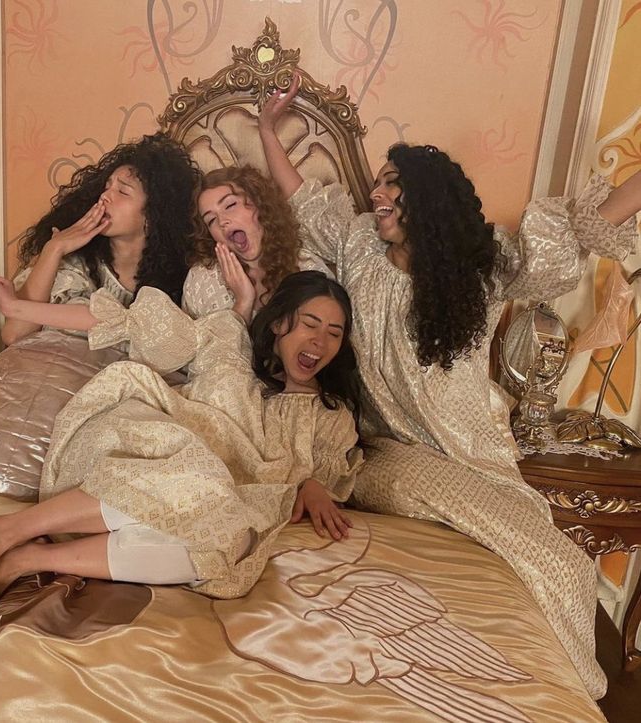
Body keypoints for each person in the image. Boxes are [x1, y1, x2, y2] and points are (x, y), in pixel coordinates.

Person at [257, 73, 641, 700]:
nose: (376, 194)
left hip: (478, 460)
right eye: (377, 182)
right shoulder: (356, 246)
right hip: (385, 459)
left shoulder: (481, 271)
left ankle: (572, 691)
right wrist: (269, 131)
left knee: (565, 566)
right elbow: (298, 196)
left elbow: (583, 228)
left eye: (390, 184)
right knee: (548, 558)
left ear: (427, 202)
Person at [0, 270, 363, 611]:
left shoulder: (331, 417)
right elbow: (130, 323)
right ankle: (6, 530)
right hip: (140, 450)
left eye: (334, 333)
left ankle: (31, 559)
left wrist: (312, 485)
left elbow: (321, 479)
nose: (319, 341)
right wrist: (18, 308)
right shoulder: (227, 347)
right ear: (278, 323)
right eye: (310, 324)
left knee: (227, 543)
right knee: (197, 478)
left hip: (203, 502)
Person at [3, 133, 200, 345]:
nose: (105, 196)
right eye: (106, 187)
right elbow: (13, 335)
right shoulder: (76, 266)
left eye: (123, 191)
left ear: (154, 215)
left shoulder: (188, 277)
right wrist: (54, 249)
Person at [182, 165, 332, 319]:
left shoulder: (306, 266)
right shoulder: (200, 281)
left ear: (259, 204)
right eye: (211, 220)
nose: (222, 221)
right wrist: (243, 302)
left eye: (230, 205)